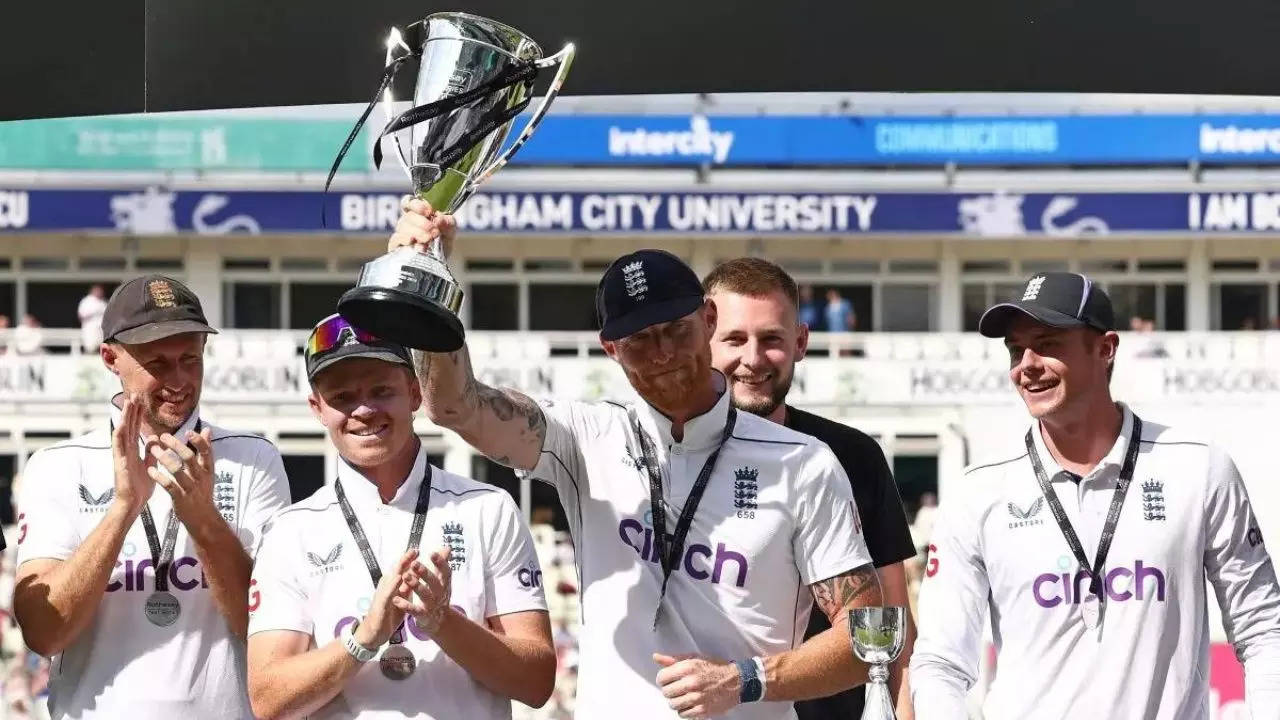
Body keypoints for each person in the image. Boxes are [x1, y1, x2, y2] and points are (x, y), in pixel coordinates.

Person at [388, 199, 882, 720]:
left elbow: (869, 636)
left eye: (676, 330)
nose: (663, 352)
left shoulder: (803, 463)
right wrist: (427, 278)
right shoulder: (585, 435)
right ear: (610, 349)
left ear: (708, 319)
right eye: (640, 340)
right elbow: (452, 405)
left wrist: (746, 679)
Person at [910, 272, 1280, 719]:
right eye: (1014, 350)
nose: (1026, 364)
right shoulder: (979, 490)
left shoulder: (1199, 468)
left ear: (1105, 350)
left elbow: (1263, 630)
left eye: (1047, 344)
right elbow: (940, 664)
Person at [246, 313, 555, 719]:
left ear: (414, 394)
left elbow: (536, 683)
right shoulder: (292, 530)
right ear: (317, 408)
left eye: (381, 390)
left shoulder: (487, 508)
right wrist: (364, 638)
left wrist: (443, 623)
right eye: (341, 397)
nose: (364, 410)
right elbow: (268, 700)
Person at [11, 274, 291, 719]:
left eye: (191, 360)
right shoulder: (58, 464)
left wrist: (203, 520)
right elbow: (43, 633)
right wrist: (123, 510)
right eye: (158, 363)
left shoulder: (254, 457)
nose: (178, 380)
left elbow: (265, 630)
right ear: (110, 357)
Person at [703, 257, 917, 720]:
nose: (753, 359)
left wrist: (903, 713)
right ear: (703, 339)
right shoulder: (672, 453)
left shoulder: (851, 455)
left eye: (772, 340)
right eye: (735, 339)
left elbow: (893, 616)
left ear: (800, 342)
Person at [78, 284, 108, 352]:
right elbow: (81, 316)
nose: (100, 292)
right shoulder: (86, 301)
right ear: (93, 291)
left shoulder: (103, 302)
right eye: (98, 290)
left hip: (101, 331)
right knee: (91, 349)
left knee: (101, 349)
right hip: (90, 330)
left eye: (101, 291)